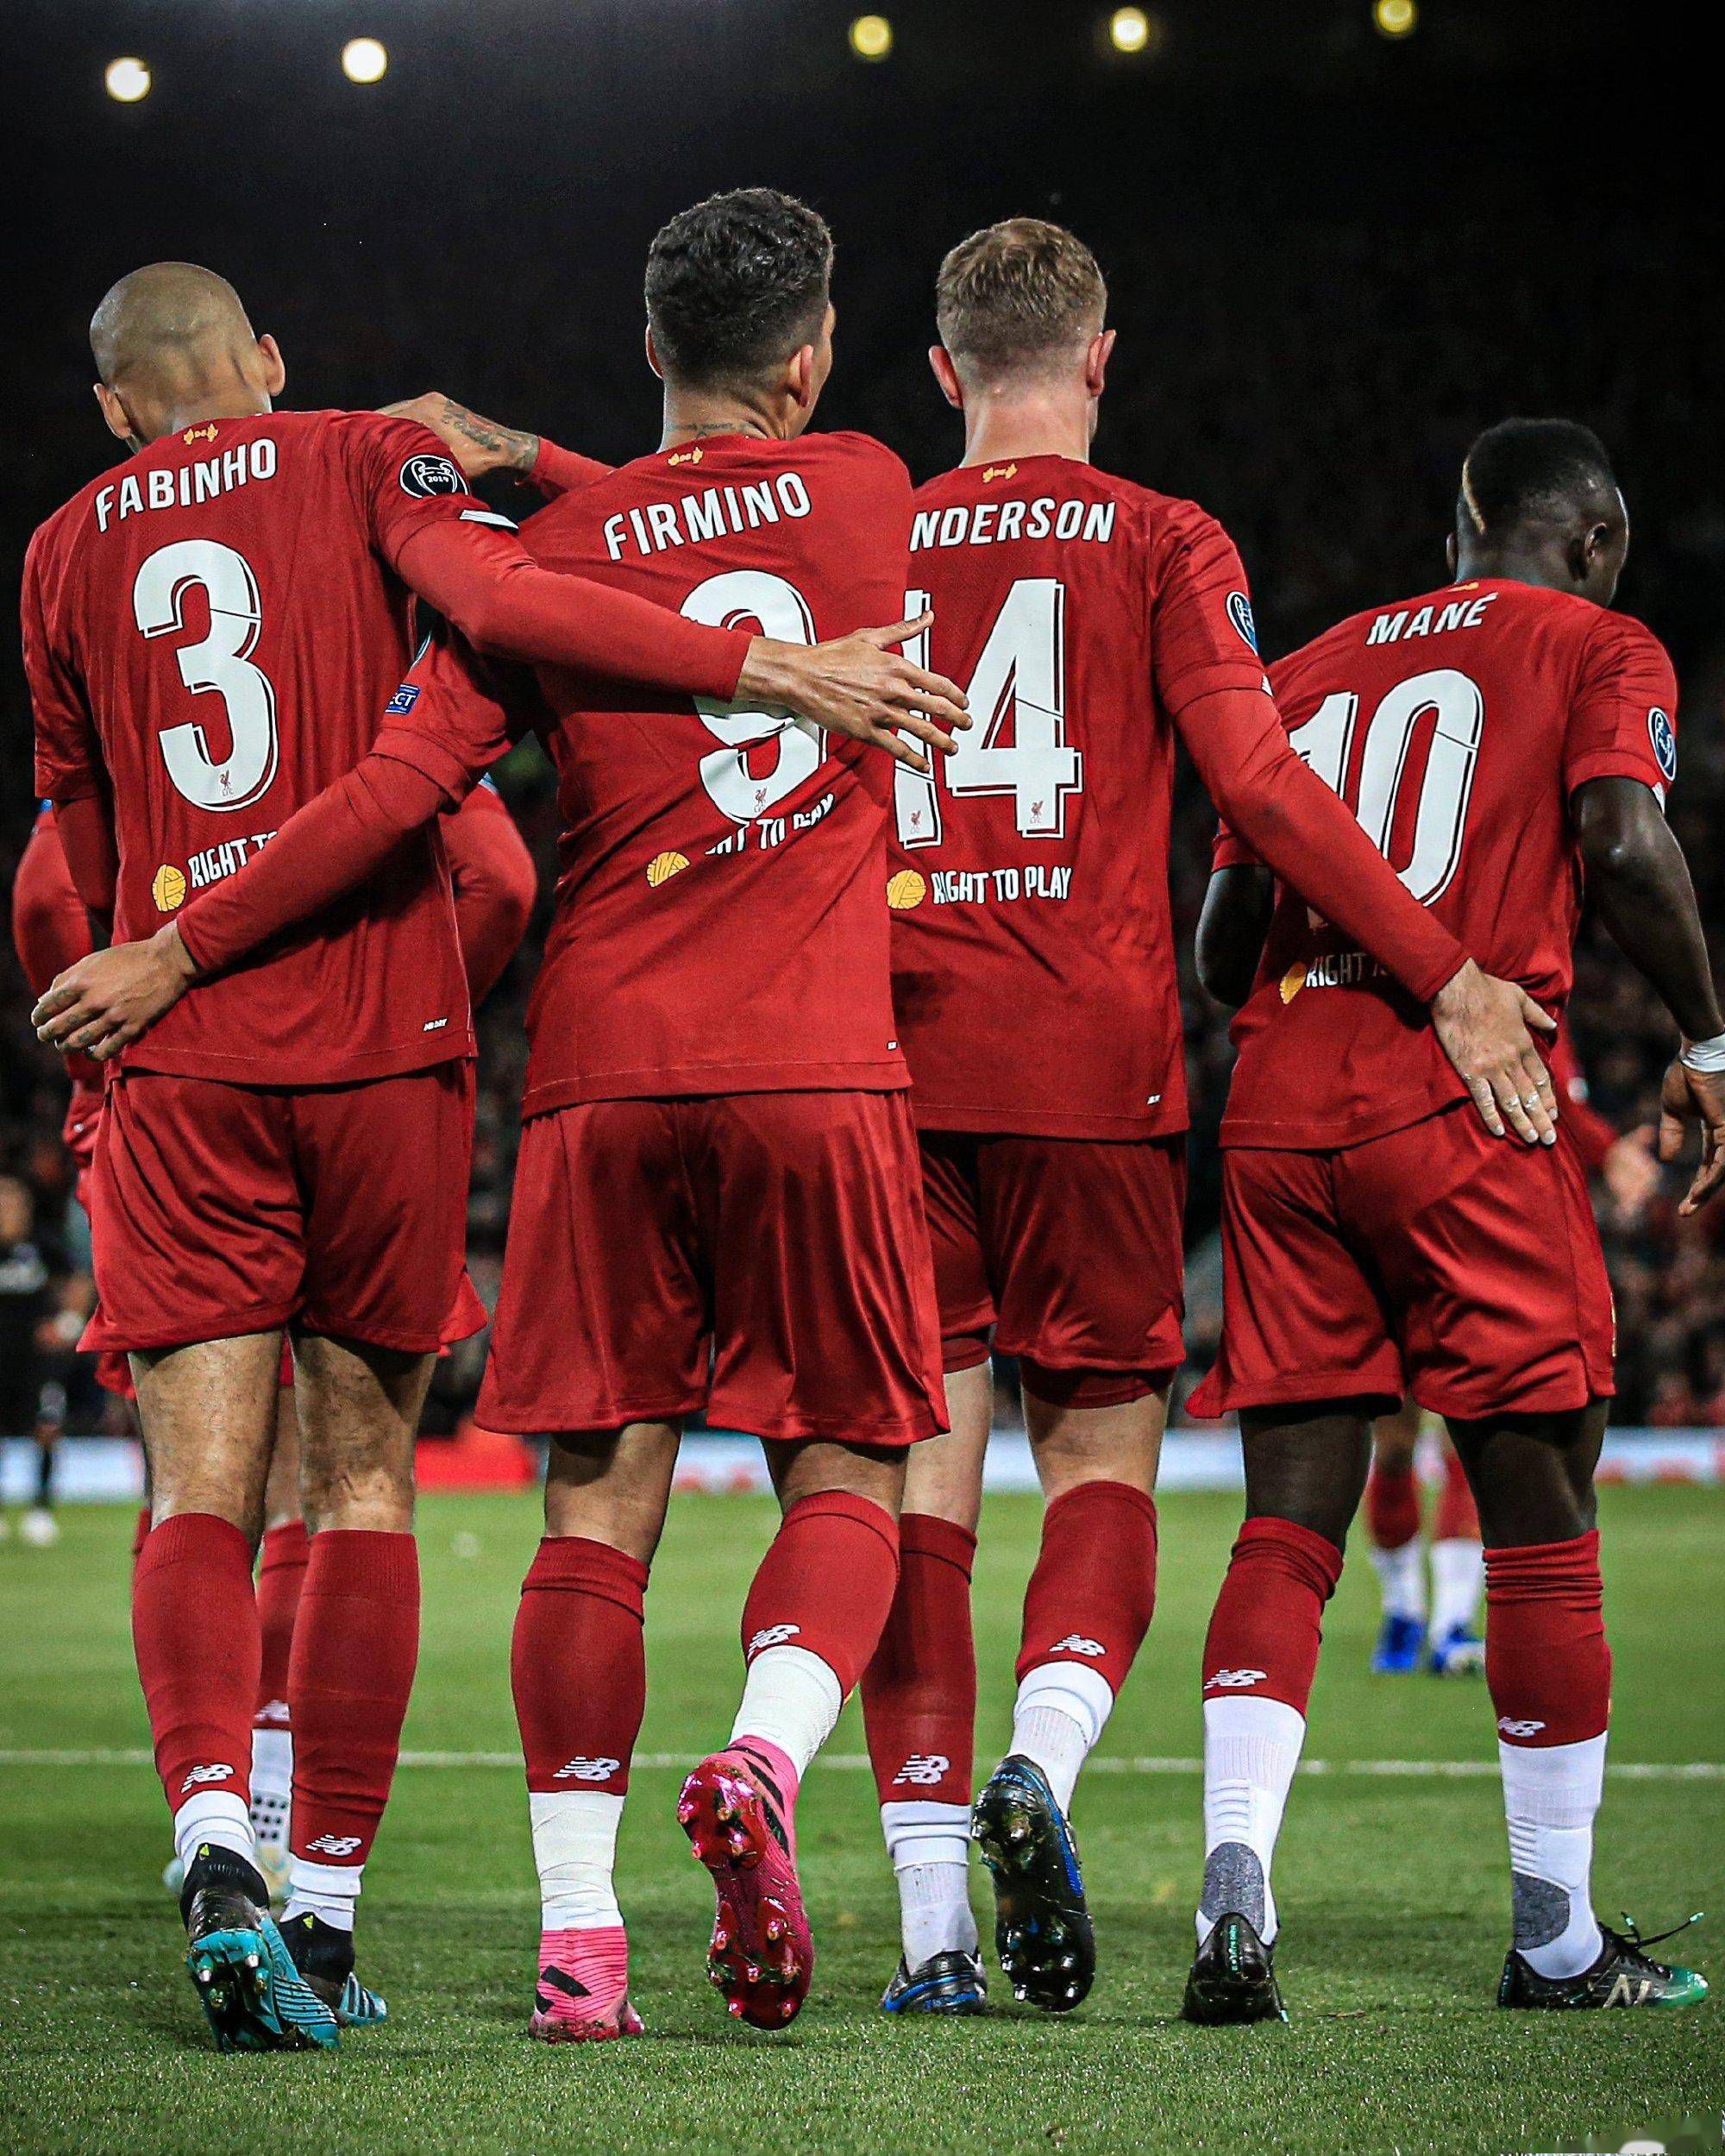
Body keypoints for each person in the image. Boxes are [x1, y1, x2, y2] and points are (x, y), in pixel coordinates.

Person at [39, 189, 965, 2046]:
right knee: (825, 1461)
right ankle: (670, 1792)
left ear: (119, 407)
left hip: (547, 1075)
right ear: (809, 357)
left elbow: (386, 758)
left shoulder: (70, 551)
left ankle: (557, 1942)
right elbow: (570, 565)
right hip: (629, 1054)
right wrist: (768, 657)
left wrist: (153, 956)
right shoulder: (862, 482)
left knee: (485, 1504)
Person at [835, 217, 1561, 2020]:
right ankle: (1045, 1762)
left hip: (890, 1051)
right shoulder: (1166, 535)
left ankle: (933, 1932)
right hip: (1090, 1058)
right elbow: (1255, 779)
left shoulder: (864, 533)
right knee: (1100, 1454)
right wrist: (1443, 966)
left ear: (940, 374)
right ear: (1097, 358)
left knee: (924, 1470)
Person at [1182, 418, 1723, 2021]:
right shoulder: (1603, 641)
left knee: (1289, 1513)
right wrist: (1707, 1043)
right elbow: (1626, 840)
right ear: (1602, 537)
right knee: (1543, 1500)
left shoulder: (1311, 670)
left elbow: (1223, 943)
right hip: (1467, 1100)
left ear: (1466, 523)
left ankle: (1236, 1889)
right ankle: (1555, 1936)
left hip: (1279, 1111)